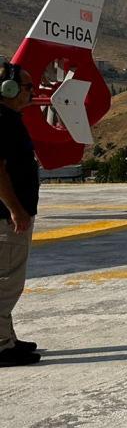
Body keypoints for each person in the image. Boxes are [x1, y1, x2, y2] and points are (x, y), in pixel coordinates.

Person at [0, 61, 40, 367]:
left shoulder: (9, 119)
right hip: (6, 217)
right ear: (9, 89)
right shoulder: (2, 120)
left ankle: (8, 338)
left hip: (11, 214)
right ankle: (1, 347)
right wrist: (16, 210)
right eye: (27, 87)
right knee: (6, 282)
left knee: (9, 280)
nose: (32, 92)